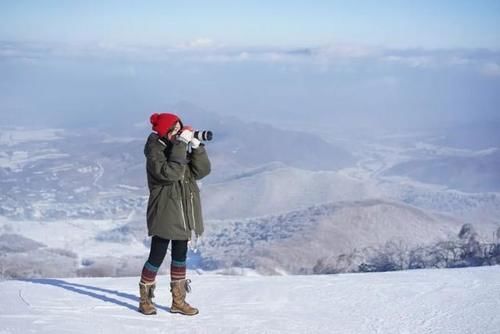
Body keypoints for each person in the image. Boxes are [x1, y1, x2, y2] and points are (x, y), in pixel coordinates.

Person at [138, 112, 211, 316]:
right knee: (157, 255)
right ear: (166, 131)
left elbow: (201, 172)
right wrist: (181, 144)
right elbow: (170, 173)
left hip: (183, 209)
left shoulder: (175, 148)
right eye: (176, 130)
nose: (180, 133)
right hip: (165, 210)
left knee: (180, 256)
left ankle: (178, 301)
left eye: (181, 129)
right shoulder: (155, 151)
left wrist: (196, 148)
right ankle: (145, 299)